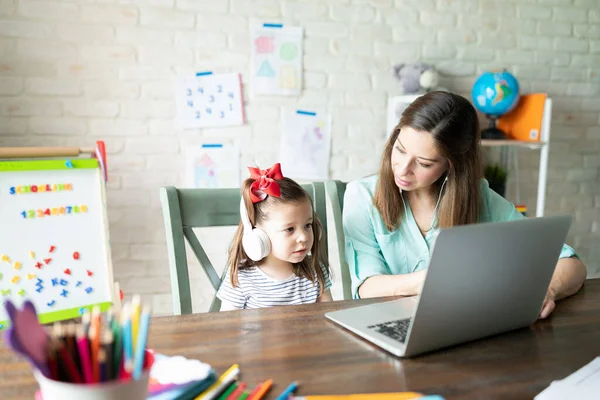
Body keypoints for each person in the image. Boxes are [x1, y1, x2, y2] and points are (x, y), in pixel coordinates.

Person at [343, 91, 587, 319]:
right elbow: (366, 286)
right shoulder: (362, 195)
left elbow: (571, 264)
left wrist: (548, 289)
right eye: (400, 149)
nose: (403, 168)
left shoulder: (479, 196)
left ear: (452, 165)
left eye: (424, 163)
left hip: (468, 323)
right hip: (392, 321)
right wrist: (428, 281)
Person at [217, 163, 332, 310]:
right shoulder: (243, 277)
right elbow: (228, 326)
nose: (303, 237)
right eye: (289, 229)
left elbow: (330, 318)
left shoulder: (314, 271)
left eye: (308, 225)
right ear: (258, 236)